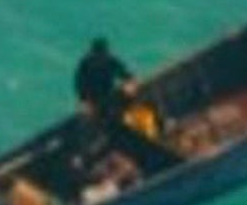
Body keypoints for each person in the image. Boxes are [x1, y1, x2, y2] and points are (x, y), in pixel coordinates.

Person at [71, 36, 180, 174]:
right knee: (109, 128)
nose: (101, 57)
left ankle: (161, 125)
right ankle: (91, 157)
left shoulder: (106, 61)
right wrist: (84, 101)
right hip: (96, 101)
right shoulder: (87, 64)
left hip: (108, 97)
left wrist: (130, 82)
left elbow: (122, 72)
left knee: (139, 106)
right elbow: (80, 83)